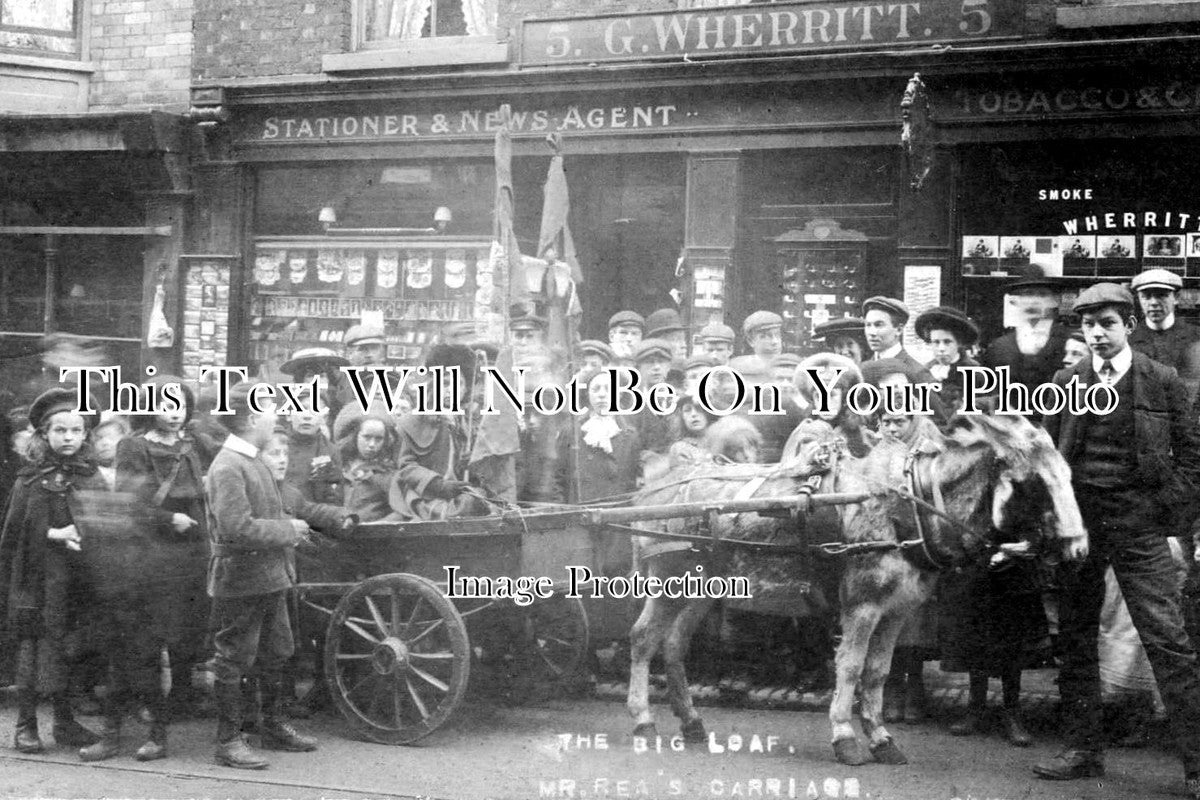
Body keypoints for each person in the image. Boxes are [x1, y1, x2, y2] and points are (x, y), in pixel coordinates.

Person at [1036, 283, 1200, 800]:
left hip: (1140, 525)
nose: (1097, 333)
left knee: (1167, 641)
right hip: (1080, 526)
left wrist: (1161, 510)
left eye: (1107, 323)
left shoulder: (1163, 380)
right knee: (1077, 638)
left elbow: (1194, 457)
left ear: (1129, 325)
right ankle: (1083, 751)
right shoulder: (1066, 381)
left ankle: (1196, 764)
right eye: (1088, 325)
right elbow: (1048, 459)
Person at [81, 377, 210, 762]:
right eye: (167, 404)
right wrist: (169, 518)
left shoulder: (191, 446)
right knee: (134, 649)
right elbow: (130, 504)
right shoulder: (133, 446)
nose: (175, 412)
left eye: (181, 404)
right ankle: (117, 733)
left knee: (181, 646)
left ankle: (159, 731)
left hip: (187, 563)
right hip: (144, 561)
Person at [206, 382, 318, 770]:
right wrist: (289, 530)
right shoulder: (228, 465)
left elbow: (265, 515)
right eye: (271, 407)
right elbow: (237, 526)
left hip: (270, 574)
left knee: (276, 652)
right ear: (253, 418)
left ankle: (271, 726)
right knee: (234, 657)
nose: (277, 413)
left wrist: (293, 525)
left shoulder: (252, 460)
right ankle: (228, 741)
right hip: (242, 576)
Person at [0, 388, 103, 755]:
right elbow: (11, 535)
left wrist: (86, 536)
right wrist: (53, 532)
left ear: (85, 435)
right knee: (35, 652)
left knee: (70, 650)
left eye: (76, 431)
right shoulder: (29, 479)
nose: (68, 438)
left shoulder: (89, 476)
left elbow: (103, 522)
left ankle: (64, 723)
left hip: (77, 579)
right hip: (38, 581)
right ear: (44, 435)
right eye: (60, 431)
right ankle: (25, 725)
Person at [388, 345, 492, 521]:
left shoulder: (468, 423)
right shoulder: (414, 420)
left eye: (458, 384)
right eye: (444, 383)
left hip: (460, 491)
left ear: (467, 389)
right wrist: (438, 485)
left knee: (475, 503)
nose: (450, 390)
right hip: (425, 493)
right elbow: (405, 466)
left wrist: (471, 463)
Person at [979, 265, 1069, 423]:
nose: (1033, 300)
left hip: (1057, 427)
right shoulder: (999, 347)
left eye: (1041, 295)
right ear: (1015, 301)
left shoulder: (1068, 342)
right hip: (1011, 430)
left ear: (1053, 301)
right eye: (1027, 294)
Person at [1128, 269, 1200, 402]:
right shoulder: (1128, 339)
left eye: (1161, 295)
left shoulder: (1195, 337)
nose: (1154, 302)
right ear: (1138, 299)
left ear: (1176, 298)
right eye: (1146, 296)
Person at [333, 405, 397, 523]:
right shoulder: (337, 466)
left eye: (378, 439)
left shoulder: (388, 475)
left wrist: (379, 525)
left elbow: (402, 511)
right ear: (355, 436)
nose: (372, 444)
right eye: (366, 437)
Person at [914, 306, 981, 413]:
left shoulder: (975, 373)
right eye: (936, 342)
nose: (941, 349)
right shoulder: (922, 374)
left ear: (958, 343)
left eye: (947, 342)